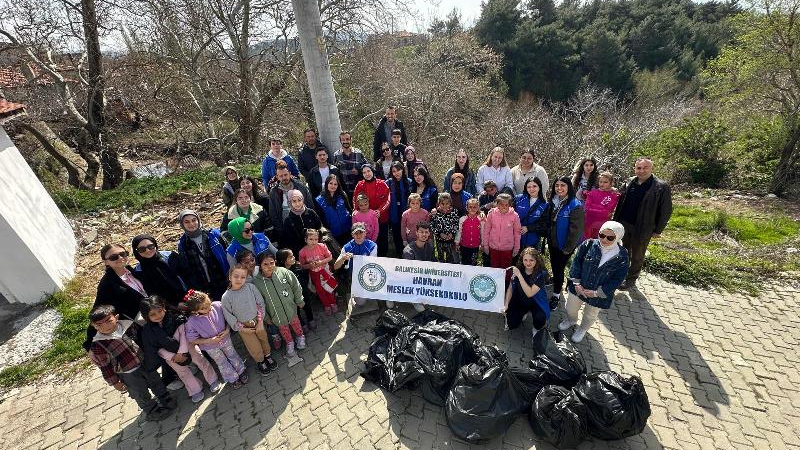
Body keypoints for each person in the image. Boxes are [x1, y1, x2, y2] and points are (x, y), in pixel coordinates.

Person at [88, 304, 176, 421]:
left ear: (116, 317)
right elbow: (105, 367)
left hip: (144, 363)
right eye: (99, 324)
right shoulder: (99, 345)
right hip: (128, 373)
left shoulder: (128, 326)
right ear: (94, 326)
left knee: (156, 381)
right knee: (140, 393)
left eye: (108, 321)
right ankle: (152, 410)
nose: (105, 326)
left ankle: (165, 397)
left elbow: (141, 340)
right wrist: (115, 382)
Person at [140, 296, 220, 404]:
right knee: (183, 373)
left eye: (159, 311)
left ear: (164, 307)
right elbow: (156, 348)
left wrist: (181, 352)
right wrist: (172, 357)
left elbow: (184, 334)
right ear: (146, 316)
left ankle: (212, 379)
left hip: (188, 346)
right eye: (153, 314)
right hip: (171, 357)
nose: (158, 316)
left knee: (200, 360)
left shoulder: (175, 318)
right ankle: (195, 389)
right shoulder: (148, 332)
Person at [560, 221, 629, 343]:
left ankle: (582, 329)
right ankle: (571, 320)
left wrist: (597, 293)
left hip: (597, 293)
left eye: (610, 237)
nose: (604, 239)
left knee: (590, 314)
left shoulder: (622, 257)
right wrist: (576, 284)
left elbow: (617, 279)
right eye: (602, 235)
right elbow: (576, 264)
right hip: (579, 287)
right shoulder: (588, 244)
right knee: (570, 308)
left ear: (618, 237)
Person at [612, 157, 672, 290]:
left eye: (645, 168)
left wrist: (658, 230)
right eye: (639, 168)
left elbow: (666, 210)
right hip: (623, 223)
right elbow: (618, 199)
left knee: (638, 254)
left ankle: (631, 279)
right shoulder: (629, 182)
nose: (642, 170)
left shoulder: (661, 187)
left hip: (643, 226)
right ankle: (620, 275)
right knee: (622, 251)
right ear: (635, 169)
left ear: (652, 169)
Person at [84, 244, 148, 351]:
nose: (120, 258)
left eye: (123, 254)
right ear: (106, 262)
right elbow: (99, 309)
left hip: (153, 317)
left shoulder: (130, 271)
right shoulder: (107, 284)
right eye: (114, 257)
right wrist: (90, 343)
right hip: (141, 327)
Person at [221, 264, 278, 375]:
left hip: (258, 320)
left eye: (243, 277)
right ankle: (260, 361)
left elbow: (260, 302)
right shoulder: (226, 297)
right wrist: (242, 329)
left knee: (263, 338)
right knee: (253, 345)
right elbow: (229, 316)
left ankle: (267, 355)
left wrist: (261, 321)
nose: (239, 279)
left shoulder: (250, 287)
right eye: (236, 276)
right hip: (243, 326)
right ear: (230, 277)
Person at [184, 290, 248, 389]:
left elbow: (229, 318)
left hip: (226, 339)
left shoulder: (218, 306)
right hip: (211, 347)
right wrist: (209, 341)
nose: (209, 307)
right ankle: (232, 378)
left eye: (208, 303)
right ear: (195, 311)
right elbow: (192, 339)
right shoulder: (192, 322)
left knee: (232, 355)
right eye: (204, 308)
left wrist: (227, 330)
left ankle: (241, 371)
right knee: (222, 362)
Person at [253, 252, 307, 359]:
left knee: (296, 324)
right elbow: (259, 302)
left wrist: (299, 300)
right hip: (275, 314)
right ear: (260, 266)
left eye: (271, 263)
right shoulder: (257, 283)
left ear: (275, 262)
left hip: (291, 308)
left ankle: (300, 337)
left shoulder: (284, 272)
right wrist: (266, 317)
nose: (269, 266)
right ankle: (289, 342)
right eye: (265, 264)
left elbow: (296, 286)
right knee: (284, 329)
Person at [176, 210, 230, 301]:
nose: (191, 224)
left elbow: (226, 253)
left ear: (198, 220)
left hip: (222, 279)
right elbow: (186, 267)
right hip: (203, 285)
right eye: (187, 222)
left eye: (194, 220)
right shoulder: (183, 243)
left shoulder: (213, 235)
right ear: (182, 224)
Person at [548, 176, 585, 307]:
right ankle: (555, 281)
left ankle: (556, 295)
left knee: (559, 268)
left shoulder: (575, 205)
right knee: (555, 265)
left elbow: (577, 230)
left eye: (562, 185)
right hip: (553, 241)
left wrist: (568, 248)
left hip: (565, 244)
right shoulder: (553, 201)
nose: (559, 188)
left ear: (569, 187)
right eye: (557, 185)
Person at [131, 234, 187, 311]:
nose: (147, 250)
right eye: (142, 249)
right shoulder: (139, 271)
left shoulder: (170, 256)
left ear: (155, 245)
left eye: (150, 246)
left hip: (189, 296)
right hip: (166, 308)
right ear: (136, 251)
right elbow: (151, 294)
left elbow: (187, 275)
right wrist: (174, 305)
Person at [503, 247, 550, 335]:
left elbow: (529, 293)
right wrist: (506, 305)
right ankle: (523, 312)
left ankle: (536, 329)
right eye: (525, 260)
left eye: (531, 260)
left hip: (535, 302)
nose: (528, 263)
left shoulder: (541, 274)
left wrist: (519, 276)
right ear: (522, 259)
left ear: (536, 260)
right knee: (511, 324)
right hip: (520, 300)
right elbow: (510, 288)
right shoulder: (519, 269)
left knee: (540, 318)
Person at [268, 160, 315, 240]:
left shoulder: (300, 186)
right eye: (281, 176)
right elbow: (273, 214)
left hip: (305, 225)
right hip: (287, 228)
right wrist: (280, 231)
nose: (284, 178)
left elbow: (310, 204)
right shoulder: (274, 192)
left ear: (290, 174)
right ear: (277, 177)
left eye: (285, 175)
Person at [334, 222, 378, 308]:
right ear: (352, 235)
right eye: (356, 233)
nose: (359, 235)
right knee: (360, 302)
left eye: (361, 232)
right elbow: (336, 266)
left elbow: (373, 264)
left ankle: (369, 291)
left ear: (365, 233)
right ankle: (357, 292)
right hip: (355, 277)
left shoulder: (372, 245)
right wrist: (343, 258)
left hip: (369, 275)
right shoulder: (347, 247)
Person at [353, 164, 391, 256]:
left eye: (368, 171)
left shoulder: (382, 183)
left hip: (381, 217)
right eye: (364, 172)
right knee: (367, 237)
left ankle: (383, 255)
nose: (367, 174)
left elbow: (387, 200)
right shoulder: (360, 185)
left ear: (372, 171)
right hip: (365, 219)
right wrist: (356, 210)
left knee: (382, 237)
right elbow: (355, 199)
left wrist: (379, 211)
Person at [299, 229, 338, 315]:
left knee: (329, 287)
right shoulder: (302, 252)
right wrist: (309, 266)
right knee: (320, 290)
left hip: (325, 271)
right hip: (314, 274)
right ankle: (326, 305)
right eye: (311, 239)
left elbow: (330, 257)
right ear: (305, 239)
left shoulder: (322, 246)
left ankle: (333, 303)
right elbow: (302, 265)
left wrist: (321, 262)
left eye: (316, 239)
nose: (314, 242)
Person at [482, 193, 521, 269]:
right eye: (501, 204)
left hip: (507, 248)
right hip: (493, 247)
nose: (504, 206)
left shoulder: (515, 216)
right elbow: (486, 231)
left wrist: (516, 248)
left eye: (506, 205)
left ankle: (506, 281)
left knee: (506, 269)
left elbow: (517, 233)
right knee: (494, 268)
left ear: (510, 205)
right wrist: (486, 245)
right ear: (497, 204)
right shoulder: (491, 214)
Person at [402, 222, 434, 311]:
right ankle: (413, 300)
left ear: (429, 234)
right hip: (411, 279)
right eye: (421, 232)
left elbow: (433, 264)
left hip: (424, 275)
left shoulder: (430, 246)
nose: (424, 234)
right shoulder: (408, 251)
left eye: (426, 232)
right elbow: (408, 274)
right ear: (416, 233)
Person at [282, 190, 323, 257]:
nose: (297, 204)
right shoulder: (288, 220)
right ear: (289, 202)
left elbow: (319, 227)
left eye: (299, 200)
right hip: (302, 254)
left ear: (303, 200)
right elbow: (289, 241)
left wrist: (317, 241)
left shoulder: (311, 212)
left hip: (317, 248)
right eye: (294, 201)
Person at [315, 174, 352, 245]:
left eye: (335, 184)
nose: (333, 186)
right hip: (333, 233)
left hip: (347, 229)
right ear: (326, 184)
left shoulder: (342, 194)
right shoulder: (319, 200)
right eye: (331, 183)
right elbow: (320, 219)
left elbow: (349, 209)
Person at [515, 177, 550, 251]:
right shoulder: (518, 199)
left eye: (534, 186)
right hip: (516, 238)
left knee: (530, 261)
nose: (531, 189)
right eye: (529, 187)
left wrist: (528, 228)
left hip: (533, 240)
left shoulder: (544, 205)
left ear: (539, 187)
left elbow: (544, 224)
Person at [583, 171, 620, 240]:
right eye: (601, 181)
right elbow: (587, 208)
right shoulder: (592, 193)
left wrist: (594, 207)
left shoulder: (614, 195)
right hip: (589, 224)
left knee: (598, 244)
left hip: (602, 226)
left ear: (611, 183)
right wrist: (601, 209)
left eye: (605, 182)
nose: (602, 184)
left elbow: (608, 212)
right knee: (586, 243)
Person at [386, 162, 412, 254]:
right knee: (397, 236)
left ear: (403, 170)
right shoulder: (388, 183)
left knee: (408, 235)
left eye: (398, 170)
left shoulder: (409, 182)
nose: (396, 173)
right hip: (394, 215)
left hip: (407, 214)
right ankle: (400, 256)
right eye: (394, 171)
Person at [334, 131, 368, 199]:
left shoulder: (358, 152)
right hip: (345, 191)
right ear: (340, 141)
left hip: (360, 189)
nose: (345, 141)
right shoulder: (337, 155)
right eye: (343, 140)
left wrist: (358, 171)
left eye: (347, 139)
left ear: (351, 139)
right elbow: (336, 173)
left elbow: (367, 168)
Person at [429, 193, 460, 263]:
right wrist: (440, 233)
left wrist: (452, 233)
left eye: (447, 203)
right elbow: (432, 225)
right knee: (440, 257)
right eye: (442, 203)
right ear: (439, 203)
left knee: (450, 257)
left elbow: (456, 224)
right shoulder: (435, 213)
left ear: (450, 203)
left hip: (450, 240)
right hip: (439, 240)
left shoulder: (454, 212)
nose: (445, 205)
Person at [456, 198, 484, 266]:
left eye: (474, 207)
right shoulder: (462, 219)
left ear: (478, 208)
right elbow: (459, 231)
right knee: (464, 262)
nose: (472, 209)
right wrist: (457, 242)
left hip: (475, 246)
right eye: (470, 207)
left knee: (473, 263)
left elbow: (482, 232)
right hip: (464, 245)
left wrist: (482, 243)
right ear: (467, 208)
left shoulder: (480, 219)